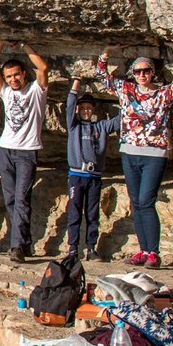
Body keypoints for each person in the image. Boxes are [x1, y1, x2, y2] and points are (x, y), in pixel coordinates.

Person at [96, 43, 173, 268]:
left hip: (154, 153)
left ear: (153, 73)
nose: (142, 75)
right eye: (138, 71)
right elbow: (100, 74)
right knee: (136, 202)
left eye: (146, 70)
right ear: (133, 74)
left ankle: (154, 253)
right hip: (129, 151)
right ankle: (143, 251)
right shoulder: (126, 89)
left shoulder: (163, 93)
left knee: (147, 201)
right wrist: (108, 52)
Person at [0, 41, 49, 263]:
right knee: (11, 200)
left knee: (22, 198)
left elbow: (42, 68)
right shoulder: (5, 92)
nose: (13, 79)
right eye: (9, 76)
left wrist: (24, 46)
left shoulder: (35, 91)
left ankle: (16, 247)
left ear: (24, 74)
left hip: (27, 151)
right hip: (6, 149)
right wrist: (1, 44)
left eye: (16, 75)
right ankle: (25, 242)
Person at [64, 79, 120, 261]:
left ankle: (91, 248)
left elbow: (120, 120)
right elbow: (70, 105)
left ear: (93, 110)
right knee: (74, 212)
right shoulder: (74, 126)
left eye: (89, 108)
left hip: (94, 177)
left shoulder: (100, 127)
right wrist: (76, 83)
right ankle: (73, 248)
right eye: (83, 108)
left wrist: (125, 99)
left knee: (92, 213)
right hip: (76, 176)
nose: (86, 111)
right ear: (79, 110)